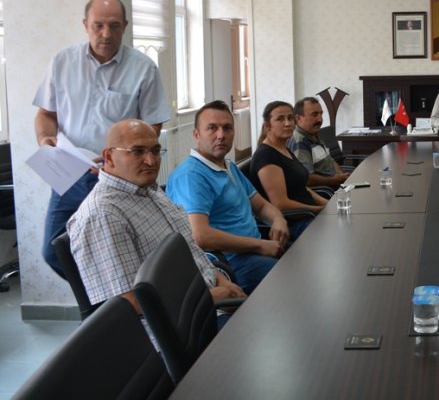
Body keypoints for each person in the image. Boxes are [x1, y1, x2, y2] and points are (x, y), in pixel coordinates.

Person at [33, 0, 170, 276]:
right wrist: (45, 140)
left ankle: (124, 299)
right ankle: (103, 299)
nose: (106, 34)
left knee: (126, 250)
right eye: (98, 25)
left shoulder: (143, 68)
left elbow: (152, 127)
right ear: (86, 25)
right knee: (54, 251)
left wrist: (119, 162)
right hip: (70, 172)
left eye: (114, 26)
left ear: (125, 26)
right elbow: (46, 114)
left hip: (118, 177)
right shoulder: (62, 62)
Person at [67, 119, 244, 322]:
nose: (151, 161)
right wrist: (210, 298)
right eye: (138, 151)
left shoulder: (148, 189)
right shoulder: (103, 215)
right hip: (180, 327)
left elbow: (193, 252)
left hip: (208, 301)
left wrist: (223, 282)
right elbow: (129, 304)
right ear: (109, 157)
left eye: (156, 150)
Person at [166, 101, 289, 294]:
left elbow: (261, 206)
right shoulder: (191, 175)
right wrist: (259, 246)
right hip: (229, 263)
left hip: (254, 250)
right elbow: (201, 236)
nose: (221, 135)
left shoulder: (228, 166)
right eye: (212, 128)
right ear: (196, 134)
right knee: (292, 279)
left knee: (303, 258)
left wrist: (278, 219)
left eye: (227, 128)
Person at [252, 101, 328, 238]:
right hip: (294, 223)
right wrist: (319, 210)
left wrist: (328, 205)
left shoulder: (283, 148)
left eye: (290, 118)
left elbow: (302, 188)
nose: (287, 123)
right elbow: (281, 204)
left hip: (309, 215)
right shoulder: (266, 156)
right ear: (267, 126)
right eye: (280, 119)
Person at [286, 97, 350, 189]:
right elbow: (307, 178)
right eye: (314, 114)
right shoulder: (299, 142)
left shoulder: (313, 134)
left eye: (321, 114)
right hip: (327, 191)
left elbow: (330, 160)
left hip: (338, 185)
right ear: (298, 118)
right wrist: (335, 180)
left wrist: (341, 175)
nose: (320, 119)